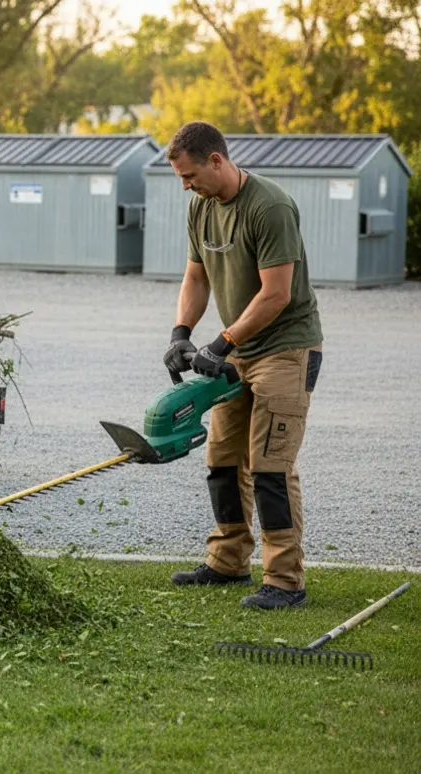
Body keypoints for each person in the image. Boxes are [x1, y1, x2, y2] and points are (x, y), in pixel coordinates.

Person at [161, 121, 324, 610]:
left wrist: (223, 341)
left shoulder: (269, 206)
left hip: (286, 347)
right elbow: (196, 277)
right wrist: (181, 333)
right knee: (223, 460)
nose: (185, 186)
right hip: (241, 352)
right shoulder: (200, 206)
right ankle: (228, 560)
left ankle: (285, 581)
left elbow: (275, 295)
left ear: (216, 160)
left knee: (271, 466)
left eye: (190, 175)